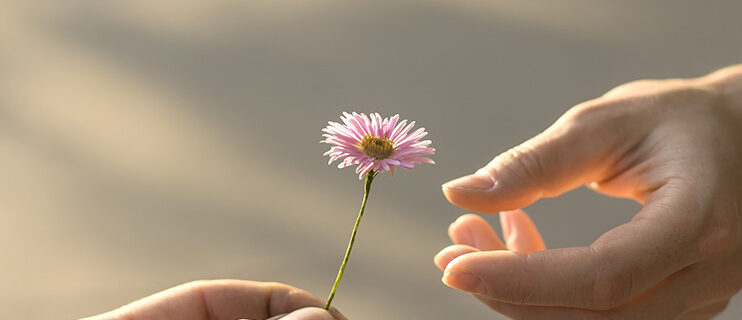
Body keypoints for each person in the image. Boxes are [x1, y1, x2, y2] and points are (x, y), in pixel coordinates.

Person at [87, 65, 742, 320]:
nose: (375, 146)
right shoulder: (360, 147)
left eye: (380, 145)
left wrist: (726, 113)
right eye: (372, 145)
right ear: (365, 148)